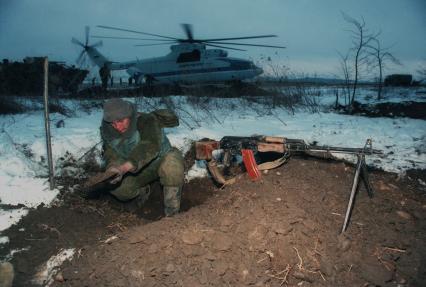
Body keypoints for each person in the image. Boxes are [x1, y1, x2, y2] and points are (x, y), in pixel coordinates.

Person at [100, 98, 184, 216]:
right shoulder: (108, 131)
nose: (117, 127)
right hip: (137, 169)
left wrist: (124, 168)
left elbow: (149, 146)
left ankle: (172, 215)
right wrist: (113, 167)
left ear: (129, 115)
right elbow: (111, 153)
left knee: (172, 167)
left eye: (120, 120)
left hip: (161, 159)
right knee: (119, 189)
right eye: (113, 123)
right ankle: (144, 192)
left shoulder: (146, 120)